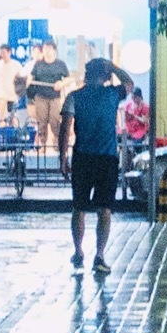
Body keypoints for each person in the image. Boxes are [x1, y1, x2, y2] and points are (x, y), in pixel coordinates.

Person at [60, 57, 127, 274]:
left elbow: (65, 128)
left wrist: (63, 158)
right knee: (104, 209)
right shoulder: (113, 94)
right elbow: (130, 83)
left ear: (86, 75)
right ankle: (99, 255)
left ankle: (78, 251)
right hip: (107, 158)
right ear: (106, 76)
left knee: (79, 207)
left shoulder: (74, 97)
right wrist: (114, 67)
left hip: (82, 157)